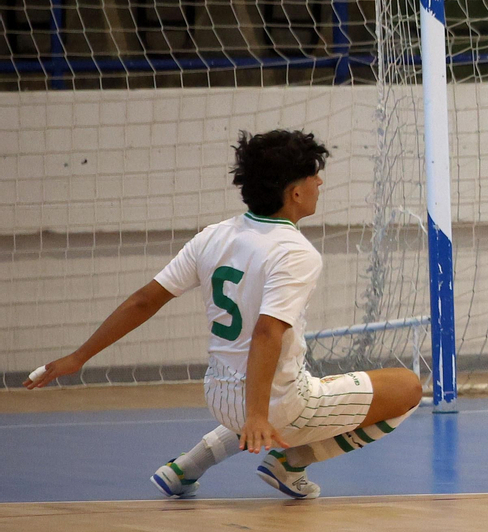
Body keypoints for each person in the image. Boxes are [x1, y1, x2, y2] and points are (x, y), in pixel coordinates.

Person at [25, 130, 423, 500]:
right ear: (296, 192)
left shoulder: (213, 235)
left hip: (217, 395)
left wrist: (79, 356)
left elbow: (143, 301)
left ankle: (188, 465)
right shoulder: (296, 252)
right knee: (407, 388)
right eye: (313, 176)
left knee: (316, 382)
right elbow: (267, 333)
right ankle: (291, 463)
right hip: (273, 404)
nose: (320, 183)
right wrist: (256, 415)